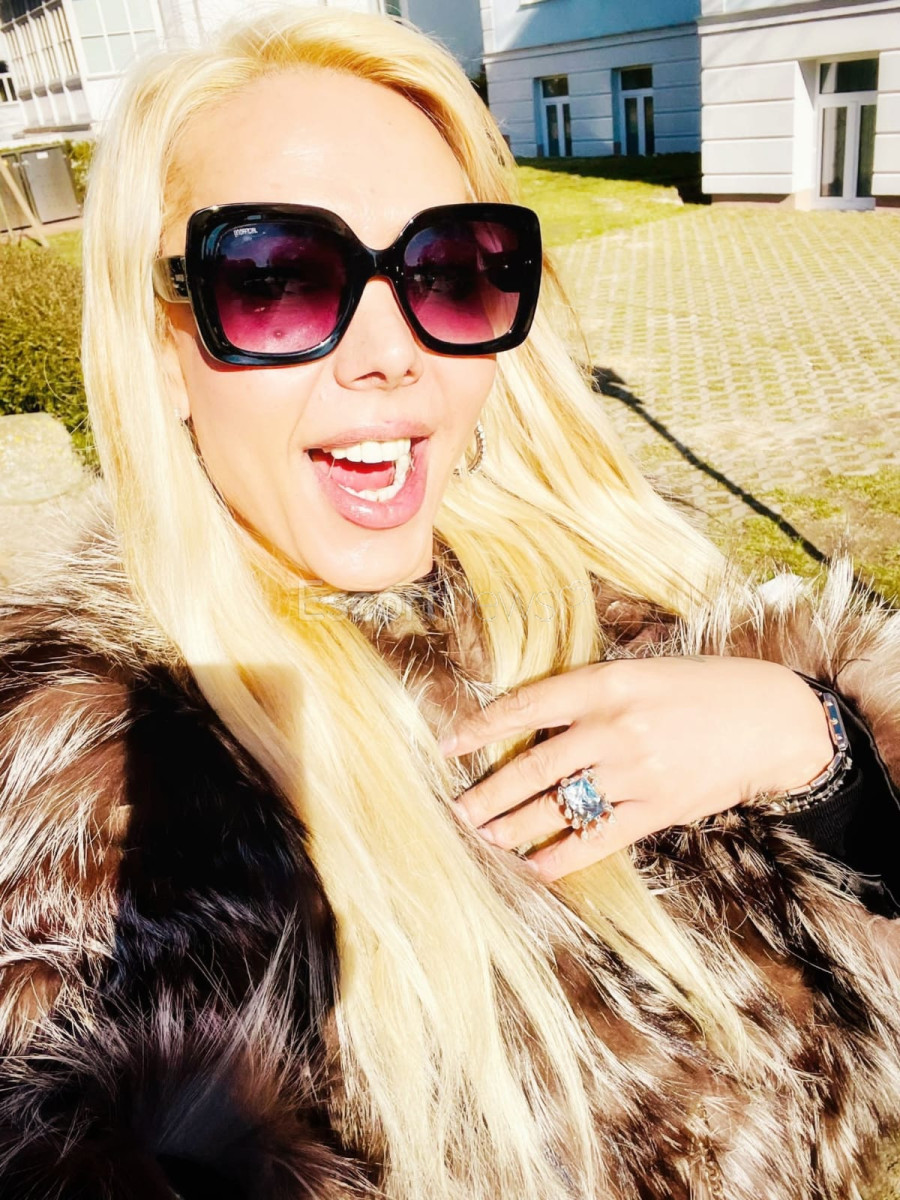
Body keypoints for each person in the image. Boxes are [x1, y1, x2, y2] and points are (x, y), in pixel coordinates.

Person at [0, 7, 899, 1199]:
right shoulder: (108, 803)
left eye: (447, 268)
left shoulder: (640, 598)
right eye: (278, 279)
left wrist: (820, 748)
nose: (393, 353)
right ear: (160, 344)